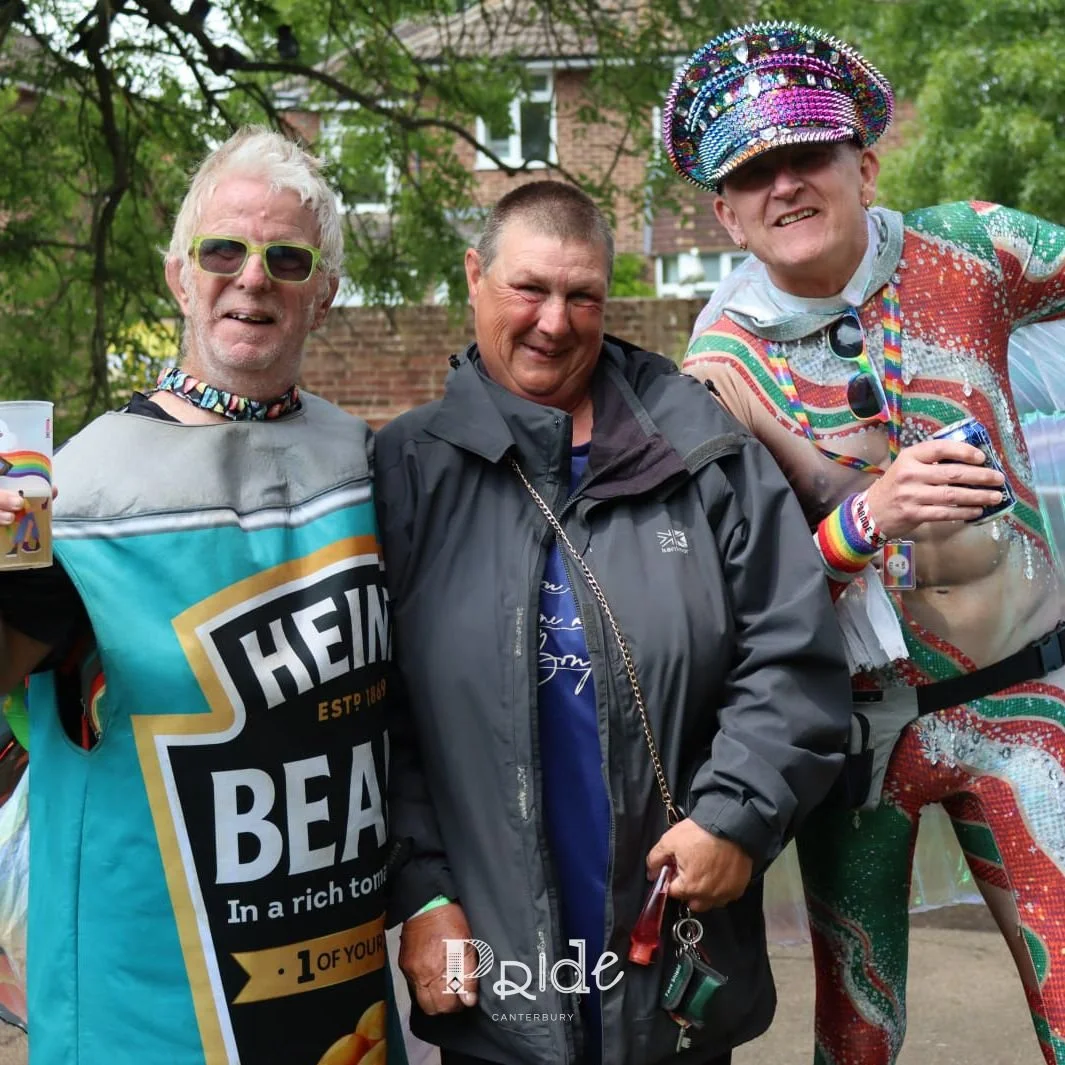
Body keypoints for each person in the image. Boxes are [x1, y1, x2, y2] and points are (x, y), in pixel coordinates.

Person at [375, 180, 852, 1065]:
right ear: (474, 276)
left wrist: (735, 816)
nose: (554, 322)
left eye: (582, 296)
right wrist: (423, 891)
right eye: (528, 288)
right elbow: (383, 713)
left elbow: (790, 655)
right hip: (494, 969)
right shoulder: (409, 470)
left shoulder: (703, 452)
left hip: (672, 947)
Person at [664, 21, 1065, 1065]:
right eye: (751, 173)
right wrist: (862, 521)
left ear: (864, 165)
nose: (784, 185)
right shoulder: (715, 369)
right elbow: (728, 596)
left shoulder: (971, 247)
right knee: (856, 1031)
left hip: (1024, 705)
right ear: (724, 212)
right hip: (855, 740)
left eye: (807, 154)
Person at [0, 128, 397, 1065]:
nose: (252, 278)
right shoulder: (74, 495)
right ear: (180, 276)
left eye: (287, 259)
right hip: (140, 1009)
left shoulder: (374, 467)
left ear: (324, 293)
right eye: (224, 251)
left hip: (339, 1002)